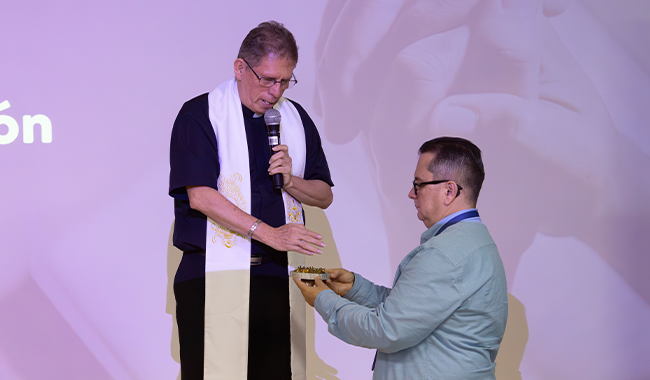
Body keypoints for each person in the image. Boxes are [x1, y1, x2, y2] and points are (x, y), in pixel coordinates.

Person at [169, 21, 334, 380]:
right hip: (212, 276)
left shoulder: (294, 119)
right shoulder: (201, 115)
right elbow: (200, 196)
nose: (276, 92)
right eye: (268, 79)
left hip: (277, 276)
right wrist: (271, 234)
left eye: (285, 81)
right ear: (240, 68)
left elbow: (324, 194)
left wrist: (292, 181)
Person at [294, 137, 507, 379]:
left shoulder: (444, 253)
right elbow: (412, 311)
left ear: (449, 191)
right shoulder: (476, 242)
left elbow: (385, 330)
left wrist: (323, 299)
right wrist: (355, 288)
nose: (411, 193)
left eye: (418, 184)